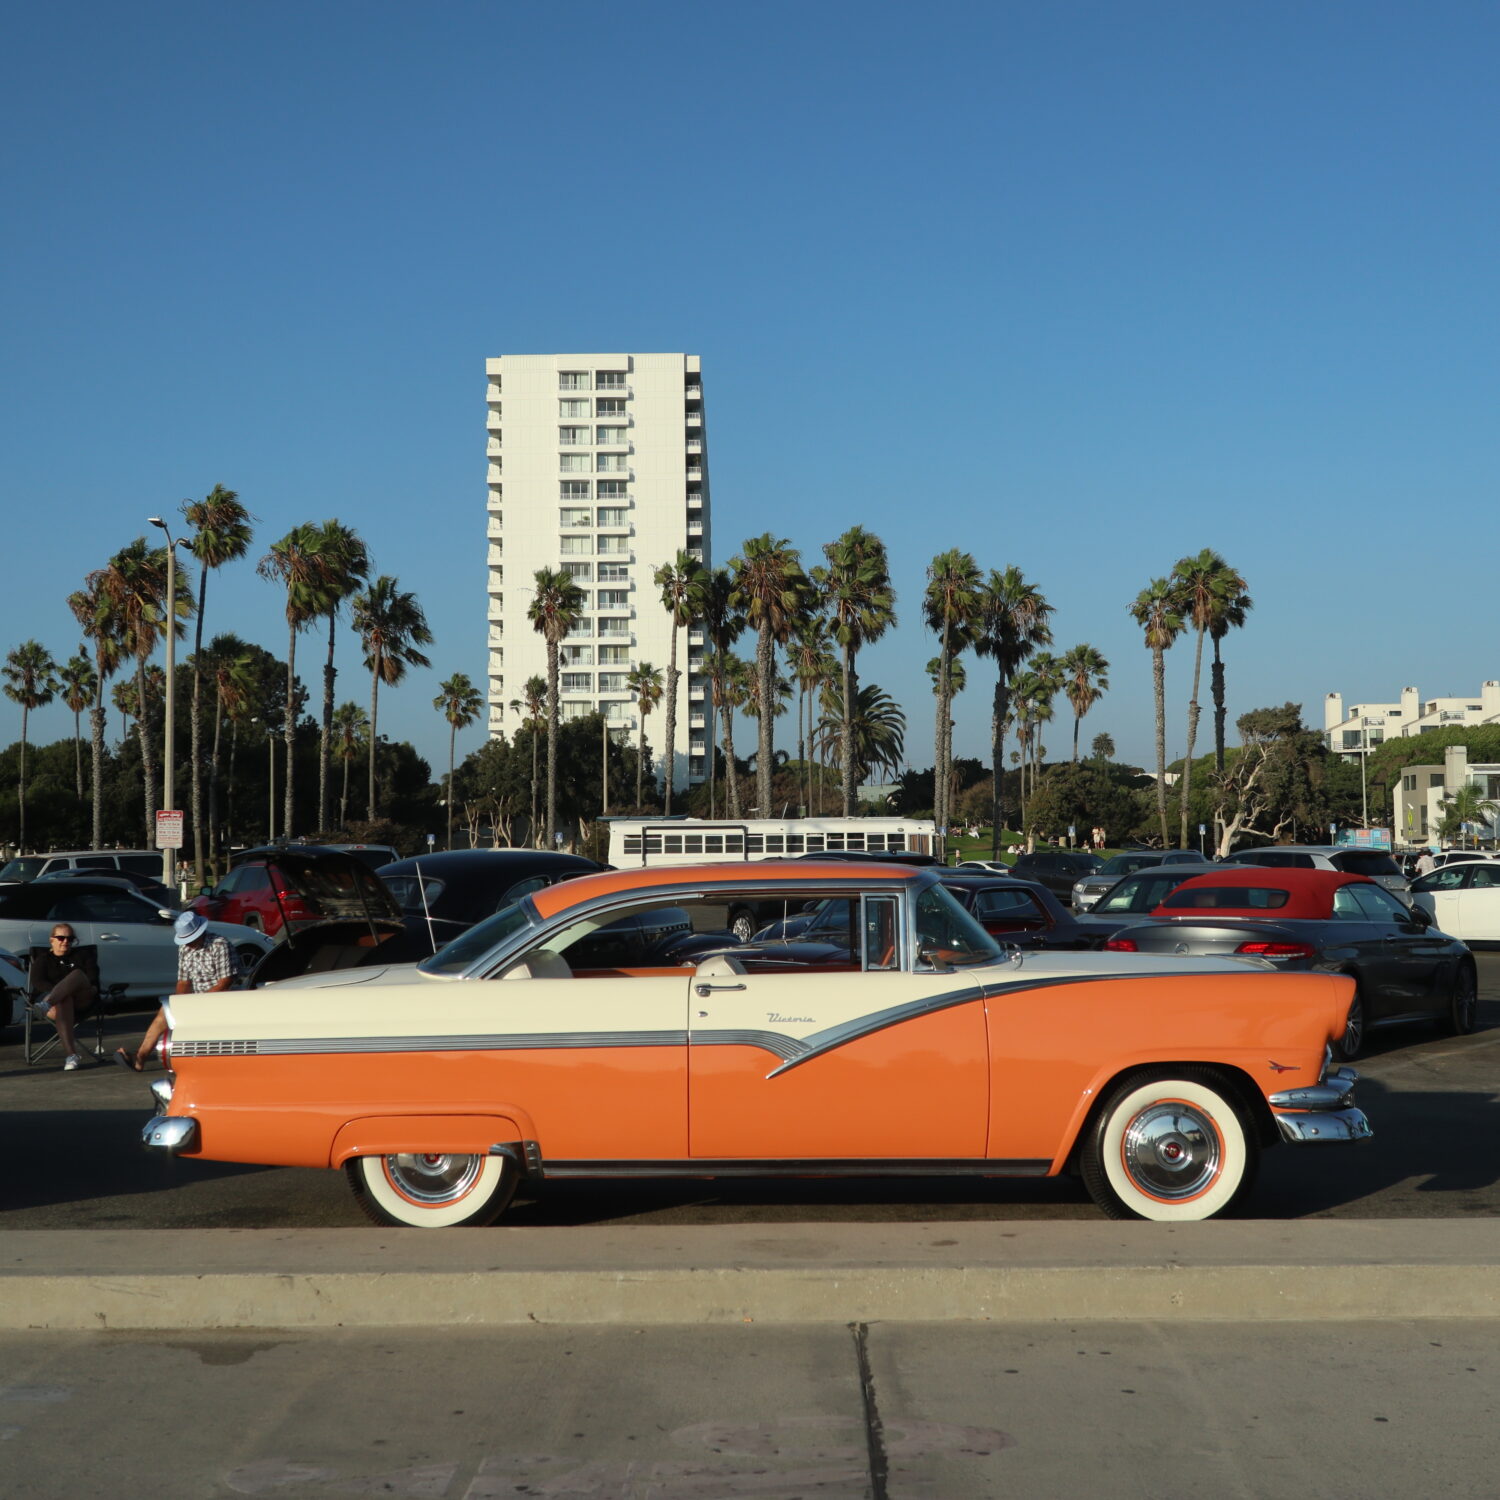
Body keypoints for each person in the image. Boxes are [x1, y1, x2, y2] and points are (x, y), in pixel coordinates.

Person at [114, 910, 236, 1072]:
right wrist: (178, 1004)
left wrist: (197, 1002)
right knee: (165, 1011)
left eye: (190, 939)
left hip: (224, 998)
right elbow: (183, 981)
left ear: (200, 934)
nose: (188, 943)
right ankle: (140, 1056)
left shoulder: (219, 944)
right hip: (199, 997)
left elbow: (225, 982)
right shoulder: (185, 949)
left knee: (176, 1010)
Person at [27, 924, 100, 1071]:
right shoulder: (43, 959)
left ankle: (46, 1004)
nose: (65, 941)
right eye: (60, 938)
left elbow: (92, 978)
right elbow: (38, 982)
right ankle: (72, 1055)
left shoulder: (83, 956)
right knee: (63, 1000)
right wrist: (60, 993)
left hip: (82, 998)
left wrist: (66, 990)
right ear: (51, 940)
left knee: (77, 974)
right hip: (57, 1005)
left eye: (70, 938)